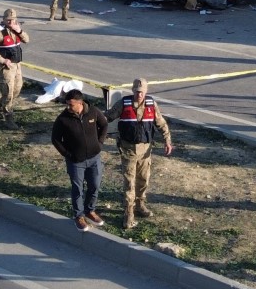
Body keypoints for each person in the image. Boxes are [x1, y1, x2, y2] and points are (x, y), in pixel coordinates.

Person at [106, 78, 174, 229]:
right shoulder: (123, 104)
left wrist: (167, 140)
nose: (139, 95)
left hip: (145, 150)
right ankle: (128, 212)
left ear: (146, 92)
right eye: (137, 92)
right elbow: (107, 117)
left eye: (142, 92)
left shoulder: (151, 104)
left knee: (144, 180)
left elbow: (160, 123)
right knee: (130, 182)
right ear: (133, 91)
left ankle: (140, 204)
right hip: (128, 149)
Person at [51, 89, 109, 231]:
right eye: (67, 104)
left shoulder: (93, 112)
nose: (68, 107)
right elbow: (55, 139)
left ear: (80, 103)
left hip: (94, 158)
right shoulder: (63, 119)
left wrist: (99, 143)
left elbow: (104, 125)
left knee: (94, 185)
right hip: (76, 162)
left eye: (71, 105)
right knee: (78, 189)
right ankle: (78, 216)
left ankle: (90, 211)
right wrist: (67, 154)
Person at [0, 9, 28, 128]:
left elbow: (26, 39)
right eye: (8, 20)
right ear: (3, 19)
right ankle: (8, 117)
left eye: (13, 19)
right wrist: (2, 60)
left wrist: (19, 31)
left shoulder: (16, 28)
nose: (11, 22)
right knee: (8, 92)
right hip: (5, 66)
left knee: (17, 88)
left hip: (17, 64)